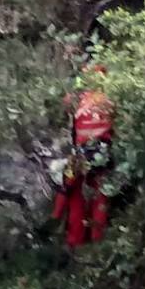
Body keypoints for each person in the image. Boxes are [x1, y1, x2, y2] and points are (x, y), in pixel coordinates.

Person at [52, 67, 114, 248]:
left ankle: (66, 230)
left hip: (79, 156)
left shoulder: (76, 99)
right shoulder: (109, 100)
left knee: (69, 189)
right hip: (103, 154)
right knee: (101, 194)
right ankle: (96, 237)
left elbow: (64, 114)